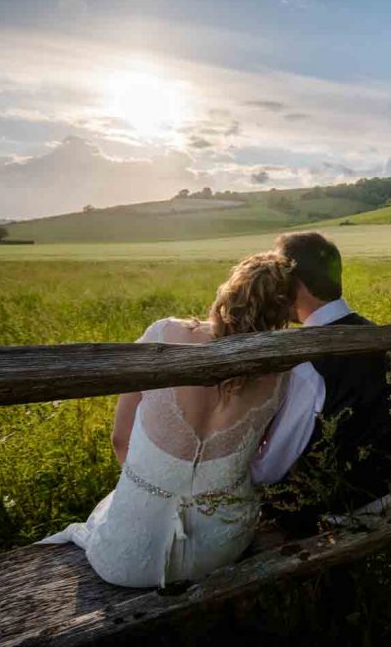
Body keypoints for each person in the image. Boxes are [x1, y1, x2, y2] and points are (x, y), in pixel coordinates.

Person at [34, 252, 297, 589]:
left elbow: (120, 439)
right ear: (283, 311)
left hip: (125, 559)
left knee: (110, 509)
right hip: (220, 548)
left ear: (229, 291)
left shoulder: (164, 333)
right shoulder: (282, 374)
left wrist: (148, 495)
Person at [251, 231, 391, 533]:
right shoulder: (379, 335)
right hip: (388, 488)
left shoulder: (307, 364)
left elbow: (272, 468)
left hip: (337, 509)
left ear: (293, 283)